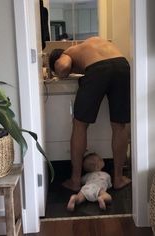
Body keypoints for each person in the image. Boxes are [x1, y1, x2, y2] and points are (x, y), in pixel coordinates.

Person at [49, 36, 131, 191]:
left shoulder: (69, 52)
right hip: (122, 66)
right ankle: (118, 178)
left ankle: (75, 181)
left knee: (80, 125)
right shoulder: (91, 44)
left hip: (98, 70)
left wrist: (60, 72)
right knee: (119, 125)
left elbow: (63, 67)